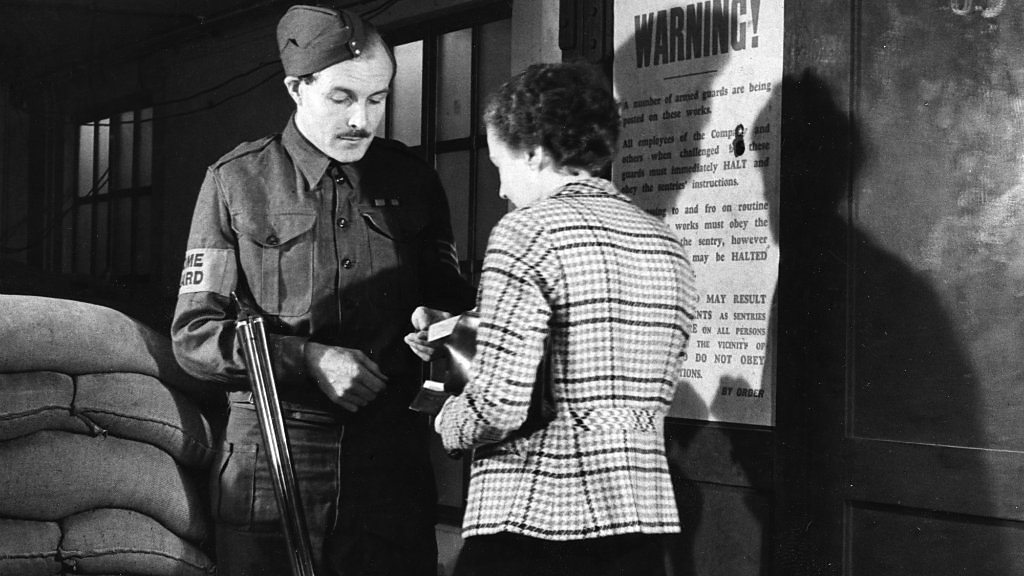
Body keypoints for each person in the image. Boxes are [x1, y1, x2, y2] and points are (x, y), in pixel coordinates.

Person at [170, 5, 474, 575]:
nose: (363, 119)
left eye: (377, 99)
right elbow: (195, 336)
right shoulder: (236, 181)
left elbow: (455, 311)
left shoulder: (413, 181)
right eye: (342, 98)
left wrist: (442, 332)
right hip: (275, 457)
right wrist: (308, 358)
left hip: (389, 462)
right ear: (296, 88)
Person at [433, 62, 698, 576]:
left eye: (500, 165)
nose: (500, 189)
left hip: (535, 520)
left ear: (534, 152)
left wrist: (450, 421)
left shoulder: (525, 231)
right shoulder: (665, 242)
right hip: (637, 527)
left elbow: (498, 408)